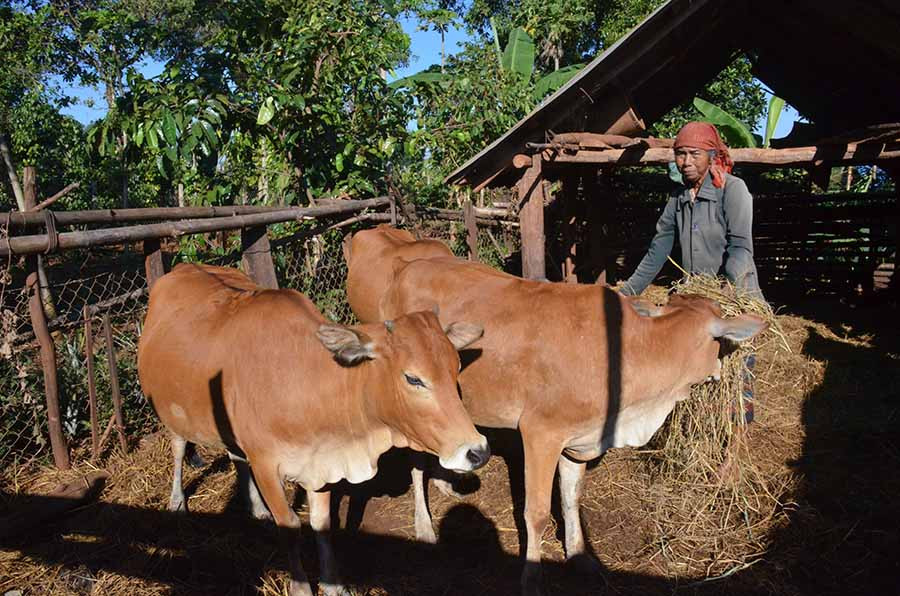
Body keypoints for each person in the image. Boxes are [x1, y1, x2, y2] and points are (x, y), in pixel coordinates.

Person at [620, 121, 762, 424]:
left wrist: (727, 289)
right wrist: (628, 291)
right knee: (697, 369)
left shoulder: (733, 191)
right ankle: (701, 426)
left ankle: (740, 428)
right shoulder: (679, 198)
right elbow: (658, 249)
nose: (685, 162)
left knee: (736, 367)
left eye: (694, 154)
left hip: (734, 292)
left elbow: (740, 248)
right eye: (680, 154)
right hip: (696, 299)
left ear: (712, 155)